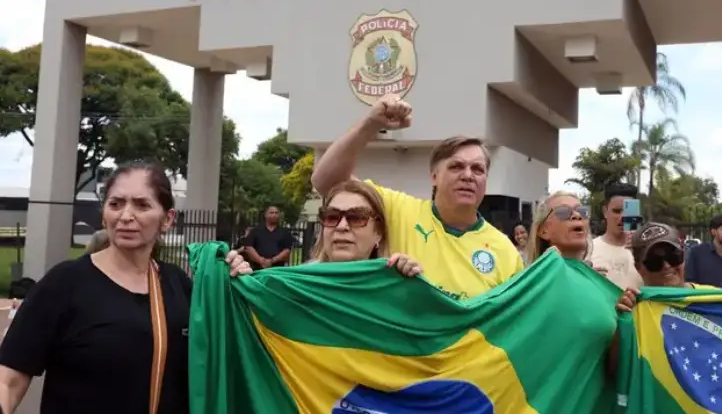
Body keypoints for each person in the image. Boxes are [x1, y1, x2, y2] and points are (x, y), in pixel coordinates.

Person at [0, 161, 251, 414]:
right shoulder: (64, 284)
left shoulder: (178, 285)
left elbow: (226, 355)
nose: (126, 216)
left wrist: (239, 283)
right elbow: (7, 382)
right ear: (104, 214)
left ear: (168, 219)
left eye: (142, 205)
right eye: (116, 204)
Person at [311, 93, 523, 300]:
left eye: (477, 169)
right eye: (456, 166)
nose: (468, 175)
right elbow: (326, 181)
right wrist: (370, 124)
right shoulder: (399, 209)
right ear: (434, 176)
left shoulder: (505, 251)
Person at [310, 180, 422, 277]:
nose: (341, 226)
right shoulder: (300, 284)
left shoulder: (396, 284)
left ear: (378, 231)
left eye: (356, 218)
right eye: (332, 217)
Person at [588, 183, 643, 289]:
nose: (622, 217)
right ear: (605, 211)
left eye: (628, 211)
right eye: (617, 211)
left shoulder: (647, 251)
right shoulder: (589, 250)